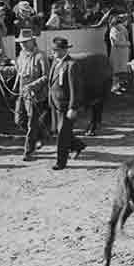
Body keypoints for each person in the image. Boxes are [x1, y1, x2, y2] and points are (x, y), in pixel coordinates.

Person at [48, 36, 86, 171]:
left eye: (56, 50)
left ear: (64, 50)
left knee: (62, 134)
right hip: (55, 104)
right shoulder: (55, 62)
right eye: (53, 50)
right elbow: (51, 82)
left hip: (66, 106)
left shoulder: (71, 65)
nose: (53, 52)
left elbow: (75, 88)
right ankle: (78, 145)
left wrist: (73, 107)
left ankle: (61, 162)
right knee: (63, 132)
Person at [14, 28, 50, 162]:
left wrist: (32, 86)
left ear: (32, 41)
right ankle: (41, 135)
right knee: (19, 120)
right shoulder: (21, 55)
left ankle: (29, 151)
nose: (22, 44)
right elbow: (17, 71)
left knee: (32, 123)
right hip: (22, 93)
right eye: (21, 42)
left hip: (35, 95)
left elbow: (46, 76)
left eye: (25, 42)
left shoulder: (41, 56)